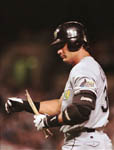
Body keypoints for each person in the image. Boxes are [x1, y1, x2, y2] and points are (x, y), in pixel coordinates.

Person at [5, 21, 112, 150]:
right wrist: (25, 105)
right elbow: (61, 106)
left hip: (84, 142)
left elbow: (81, 110)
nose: (59, 51)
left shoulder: (84, 68)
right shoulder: (88, 67)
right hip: (91, 140)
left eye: (62, 45)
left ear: (75, 42)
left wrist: (48, 122)